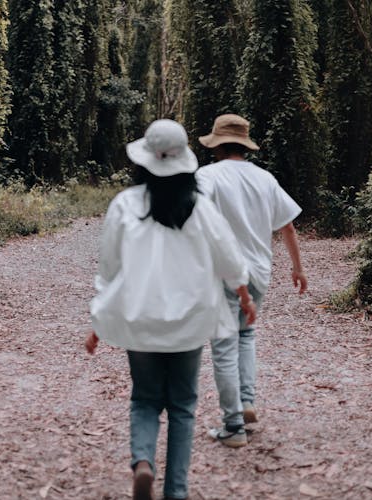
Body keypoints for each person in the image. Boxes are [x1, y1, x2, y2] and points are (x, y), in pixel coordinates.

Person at [85, 119, 256, 500]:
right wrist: (243, 295)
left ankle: (143, 461)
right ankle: (176, 491)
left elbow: (109, 270)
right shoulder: (199, 206)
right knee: (182, 406)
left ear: (144, 161)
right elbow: (228, 258)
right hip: (189, 323)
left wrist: (99, 320)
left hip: (140, 320)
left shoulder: (125, 205)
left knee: (145, 398)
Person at [196, 114, 308, 448]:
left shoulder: (207, 176)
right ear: (244, 144)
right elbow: (287, 226)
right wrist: (298, 268)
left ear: (217, 144)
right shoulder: (265, 178)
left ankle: (233, 427)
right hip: (259, 274)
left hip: (222, 274)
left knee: (224, 346)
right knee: (245, 336)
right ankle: (246, 402)